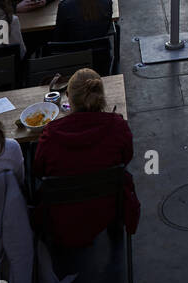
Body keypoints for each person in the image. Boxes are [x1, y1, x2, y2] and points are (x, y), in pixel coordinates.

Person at [32, 69, 141, 249]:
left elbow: (38, 170)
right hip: (109, 209)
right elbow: (126, 158)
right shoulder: (117, 127)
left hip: (60, 215)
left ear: (68, 97)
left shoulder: (50, 135)